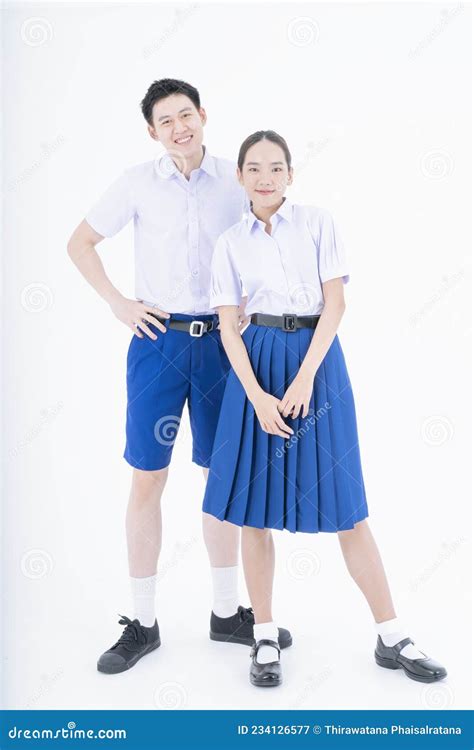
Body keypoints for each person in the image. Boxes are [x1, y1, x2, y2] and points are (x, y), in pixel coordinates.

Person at [202, 129, 447, 688]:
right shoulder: (229, 243)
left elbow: (335, 302)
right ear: (239, 176)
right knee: (253, 511)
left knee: (348, 508)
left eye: (277, 168)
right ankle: (264, 636)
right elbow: (227, 326)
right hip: (256, 365)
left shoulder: (318, 223)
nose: (266, 178)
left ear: (291, 174)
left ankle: (392, 635)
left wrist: (307, 375)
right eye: (255, 168)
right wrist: (257, 395)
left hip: (317, 358)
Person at [67, 81, 292, 675]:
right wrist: (119, 302)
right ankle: (142, 623)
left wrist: (253, 301)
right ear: (152, 131)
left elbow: (267, 241)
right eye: (164, 121)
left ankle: (226, 614)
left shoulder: (234, 180)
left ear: (202, 116)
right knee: (148, 477)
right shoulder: (137, 182)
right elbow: (81, 242)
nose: (178, 127)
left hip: (224, 346)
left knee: (222, 477)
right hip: (156, 345)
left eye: (185, 115)